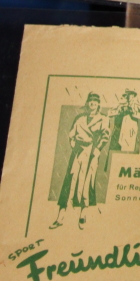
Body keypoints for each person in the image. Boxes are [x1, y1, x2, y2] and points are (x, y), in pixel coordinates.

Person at [50, 92, 110, 230]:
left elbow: (105, 136)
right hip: (78, 152)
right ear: (87, 103)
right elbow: (72, 134)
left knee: (87, 182)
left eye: (95, 101)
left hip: (91, 153)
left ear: (98, 104)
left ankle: (83, 214)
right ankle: (60, 217)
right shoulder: (80, 118)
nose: (92, 103)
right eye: (90, 101)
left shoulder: (103, 119)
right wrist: (74, 146)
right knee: (69, 182)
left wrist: (97, 149)